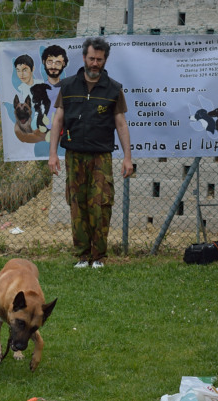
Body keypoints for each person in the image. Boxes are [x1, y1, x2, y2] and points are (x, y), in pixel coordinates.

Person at [47, 36, 133, 269]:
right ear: (84, 57)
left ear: (105, 60)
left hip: (100, 157)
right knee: (78, 206)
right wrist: (52, 154)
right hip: (73, 156)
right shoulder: (67, 86)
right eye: (92, 58)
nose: (95, 63)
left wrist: (127, 158)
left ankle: (99, 257)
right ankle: (82, 256)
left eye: (100, 60)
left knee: (100, 206)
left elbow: (121, 124)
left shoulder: (114, 89)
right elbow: (57, 120)